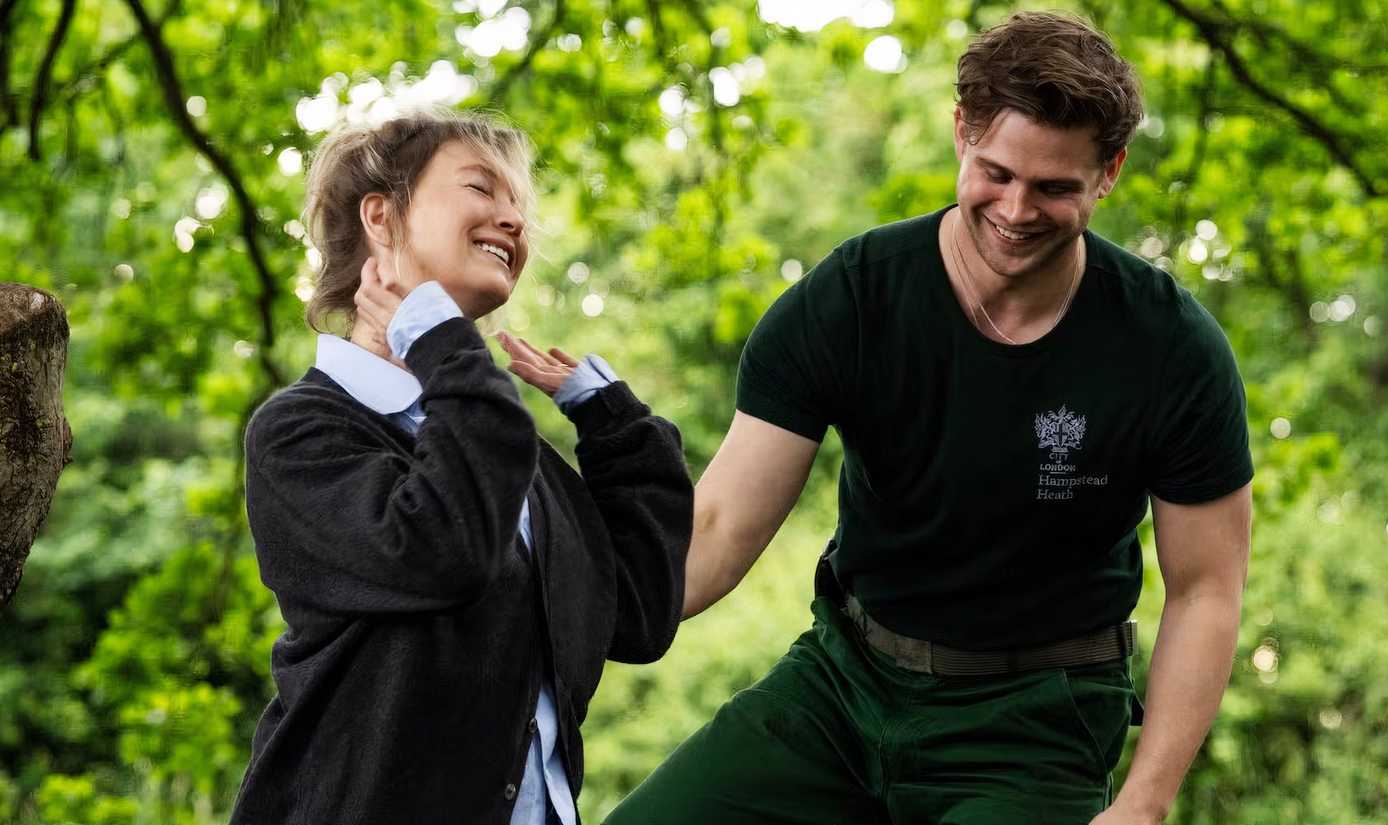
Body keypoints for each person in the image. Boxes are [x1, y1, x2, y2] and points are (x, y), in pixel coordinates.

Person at [606, 11, 1253, 825]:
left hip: (1034, 719)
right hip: (844, 684)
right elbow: (718, 529)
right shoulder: (849, 301)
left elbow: (1205, 589)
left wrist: (1145, 802)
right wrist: (574, 613)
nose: (1016, 209)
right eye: (996, 172)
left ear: (1110, 171)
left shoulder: (1170, 347)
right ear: (960, 133)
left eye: (1054, 187)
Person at [231, 107, 692, 825]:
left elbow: (636, 614)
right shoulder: (301, 432)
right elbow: (443, 554)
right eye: (482, 189)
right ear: (381, 218)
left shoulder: (510, 457)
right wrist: (442, 343)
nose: (513, 221)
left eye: (519, 207)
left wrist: (612, 421)